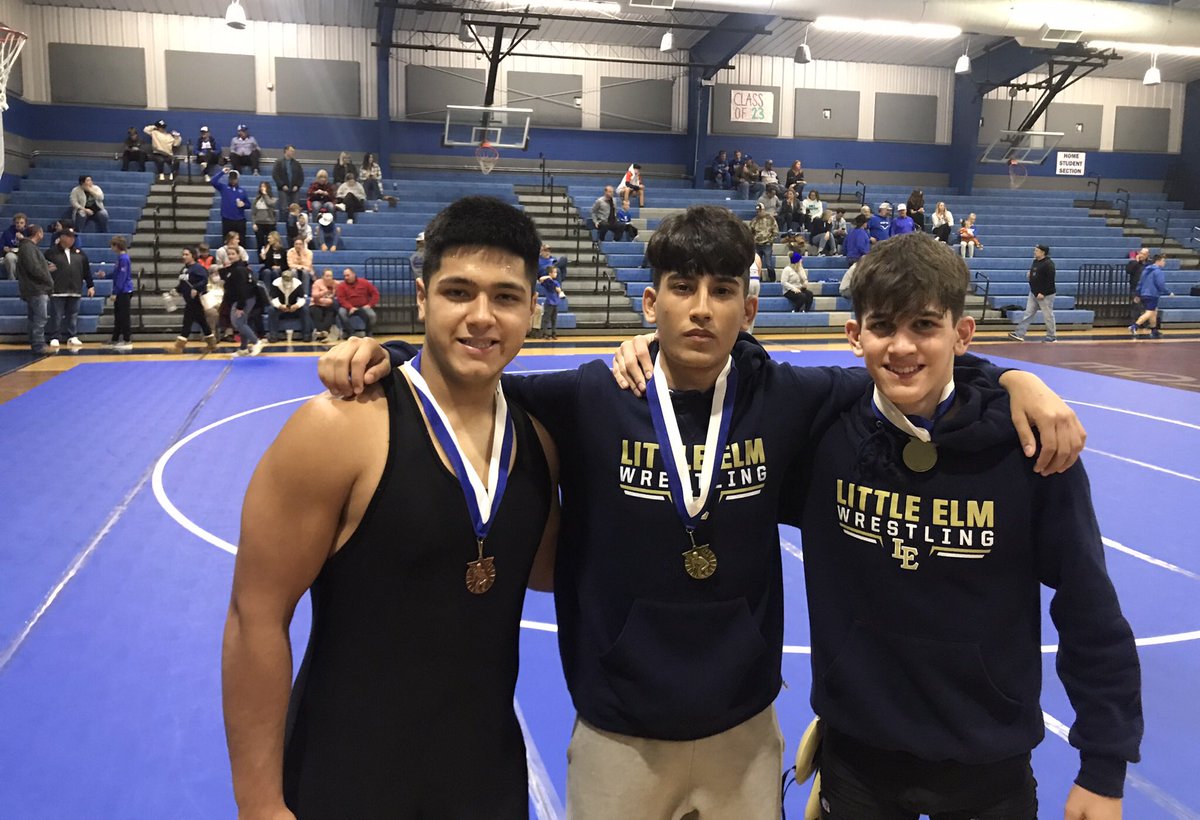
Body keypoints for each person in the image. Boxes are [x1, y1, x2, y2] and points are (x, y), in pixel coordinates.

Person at [316, 207, 1084, 820]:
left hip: (742, 729)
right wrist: (384, 350)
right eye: (682, 287)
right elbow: (475, 381)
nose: (702, 309)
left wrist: (1014, 379)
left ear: (750, 308)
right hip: (619, 728)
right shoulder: (591, 396)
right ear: (651, 301)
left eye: (724, 291)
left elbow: (908, 364)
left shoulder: (792, 396)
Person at [223, 196, 559, 819]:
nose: (482, 317)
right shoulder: (337, 429)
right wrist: (260, 806)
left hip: (485, 782)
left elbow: (546, 570)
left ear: (533, 309)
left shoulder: (538, 442)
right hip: (345, 779)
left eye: (507, 298)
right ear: (423, 295)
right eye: (459, 292)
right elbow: (255, 617)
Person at [794, 232, 1141, 820]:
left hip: (990, 768)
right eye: (882, 326)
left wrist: (1103, 768)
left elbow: (1089, 607)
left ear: (962, 333)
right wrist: (651, 347)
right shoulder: (821, 435)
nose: (902, 347)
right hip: (858, 761)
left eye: (925, 326)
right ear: (855, 336)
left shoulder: (1030, 447)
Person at [45, 227, 95, 350]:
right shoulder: (50, 253)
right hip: (57, 290)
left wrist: (90, 285)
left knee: (73, 315)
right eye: (69, 236)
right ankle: (54, 336)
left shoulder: (80, 253)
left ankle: (72, 335)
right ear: (62, 237)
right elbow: (44, 270)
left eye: (73, 237)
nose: (72, 239)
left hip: (75, 289)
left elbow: (86, 271)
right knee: (56, 315)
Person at [15, 223, 53, 356]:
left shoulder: (28, 247)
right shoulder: (28, 248)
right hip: (36, 289)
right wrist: (48, 279)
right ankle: (38, 345)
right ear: (39, 233)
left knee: (34, 318)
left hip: (33, 288)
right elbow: (34, 269)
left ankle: (35, 344)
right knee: (40, 318)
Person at [169, 247, 217, 353]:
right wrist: (176, 290)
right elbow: (183, 284)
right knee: (202, 321)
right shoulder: (184, 269)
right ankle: (211, 343)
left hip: (195, 299)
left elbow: (204, 280)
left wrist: (196, 288)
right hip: (189, 299)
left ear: (193, 256)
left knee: (187, 321)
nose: (184, 256)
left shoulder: (198, 268)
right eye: (183, 254)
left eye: (187, 254)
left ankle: (179, 346)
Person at [1008, 243, 1057, 343]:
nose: (1034, 252)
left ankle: (1052, 336)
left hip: (1045, 294)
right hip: (1034, 292)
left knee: (1048, 315)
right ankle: (1019, 334)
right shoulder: (1035, 261)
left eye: (1037, 250)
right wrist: (1030, 275)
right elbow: (1035, 272)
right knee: (1028, 313)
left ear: (1043, 252)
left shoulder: (1049, 264)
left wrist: (1042, 292)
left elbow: (1050, 280)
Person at [225, 250, 263, 356]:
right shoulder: (242, 268)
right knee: (242, 322)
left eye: (233, 254)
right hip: (245, 298)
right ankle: (243, 348)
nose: (230, 256)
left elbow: (242, 288)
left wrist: (240, 306)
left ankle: (256, 342)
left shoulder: (239, 270)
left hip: (243, 299)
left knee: (238, 322)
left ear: (239, 255)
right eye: (229, 254)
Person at [1131, 251, 1170, 339]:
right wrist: (1168, 292)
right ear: (1158, 261)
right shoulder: (1158, 271)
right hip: (1152, 294)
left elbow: (1140, 282)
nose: (1164, 262)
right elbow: (1160, 284)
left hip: (1144, 294)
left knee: (1154, 312)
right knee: (1149, 312)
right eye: (1163, 261)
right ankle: (1135, 326)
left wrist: (1137, 294)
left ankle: (1153, 329)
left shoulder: (1146, 270)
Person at [267, 269, 312, 343]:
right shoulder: (276, 284)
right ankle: (273, 335)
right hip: (281, 308)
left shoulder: (297, 284)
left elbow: (302, 298)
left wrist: (296, 305)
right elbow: (273, 298)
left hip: (294, 308)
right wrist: (280, 306)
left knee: (305, 309)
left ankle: (306, 335)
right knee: (271, 309)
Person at [336, 267, 380, 337]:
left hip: (363, 306)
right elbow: (341, 299)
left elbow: (375, 294)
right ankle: (350, 332)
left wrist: (370, 304)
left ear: (353, 274)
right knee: (341, 312)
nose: (346, 277)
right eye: (344, 276)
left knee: (372, 316)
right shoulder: (341, 286)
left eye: (348, 275)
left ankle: (368, 332)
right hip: (348, 307)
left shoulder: (364, 282)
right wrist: (350, 307)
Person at [108, 236, 134, 352]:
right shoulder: (120, 258)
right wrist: (106, 275)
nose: (111, 248)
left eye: (112, 245)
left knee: (123, 316)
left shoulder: (124, 259)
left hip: (124, 291)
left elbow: (122, 277)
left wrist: (115, 292)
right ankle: (115, 338)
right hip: (121, 290)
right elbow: (116, 274)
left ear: (117, 246)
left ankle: (127, 339)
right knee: (118, 316)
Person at [213, 167, 250, 243]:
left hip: (239, 220)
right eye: (231, 178)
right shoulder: (224, 188)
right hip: (227, 219)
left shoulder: (242, 191)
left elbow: (248, 204)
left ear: (237, 179)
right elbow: (213, 181)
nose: (233, 180)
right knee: (226, 241)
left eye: (234, 178)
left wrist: (243, 205)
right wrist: (222, 172)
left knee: (241, 241)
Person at [272, 145, 305, 229]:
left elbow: (301, 176)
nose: (292, 153)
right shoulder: (279, 162)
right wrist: (282, 185)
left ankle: (295, 225)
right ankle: (283, 225)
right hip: (282, 189)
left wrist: (297, 185)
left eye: (293, 151)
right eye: (291, 151)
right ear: (286, 151)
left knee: (296, 208)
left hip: (295, 189)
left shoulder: (297, 164)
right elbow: (275, 175)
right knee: (283, 208)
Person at [749, 201, 779, 282]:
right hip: (757, 244)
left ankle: (772, 279)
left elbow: (775, 231)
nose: (759, 212)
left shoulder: (771, 219)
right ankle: (759, 279)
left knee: (768, 263)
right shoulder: (754, 220)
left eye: (760, 211)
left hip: (767, 244)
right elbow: (750, 232)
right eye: (757, 211)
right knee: (757, 264)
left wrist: (771, 240)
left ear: (764, 210)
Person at [308, 268, 339, 342]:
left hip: (329, 305)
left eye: (330, 276)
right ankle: (324, 333)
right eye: (327, 276)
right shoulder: (317, 283)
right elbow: (314, 296)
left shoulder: (336, 284)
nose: (329, 278)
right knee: (317, 312)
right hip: (316, 304)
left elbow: (339, 296)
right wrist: (323, 293)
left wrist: (328, 301)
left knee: (331, 312)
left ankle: (322, 333)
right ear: (323, 277)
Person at [538, 264, 564, 340]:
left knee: (554, 319)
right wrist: (548, 277)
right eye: (554, 272)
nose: (556, 274)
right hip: (549, 302)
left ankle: (553, 333)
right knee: (546, 319)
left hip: (555, 302)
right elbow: (541, 279)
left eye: (556, 272)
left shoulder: (556, 282)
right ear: (550, 273)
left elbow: (559, 290)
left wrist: (559, 291)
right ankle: (543, 333)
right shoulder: (547, 281)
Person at [251, 182, 278, 249]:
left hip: (270, 223)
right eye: (261, 186)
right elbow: (253, 213)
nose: (262, 188)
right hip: (259, 224)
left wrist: (265, 194)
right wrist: (254, 223)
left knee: (271, 244)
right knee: (260, 244)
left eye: (264, 186)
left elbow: (269, 203)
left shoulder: (273, 199)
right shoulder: (256, 200)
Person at [2, 211, 27, 280]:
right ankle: (12, 280)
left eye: (21, 223)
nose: (19, 225)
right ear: (14, 223)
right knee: (10, 257)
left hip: (24, 254)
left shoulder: (28, 232)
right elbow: (1, 245)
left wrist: (23, 239)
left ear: (25, 224)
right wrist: (4, 248)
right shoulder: (7, 232)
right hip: (11, 253)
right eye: (17, 223)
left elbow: (32, 246)